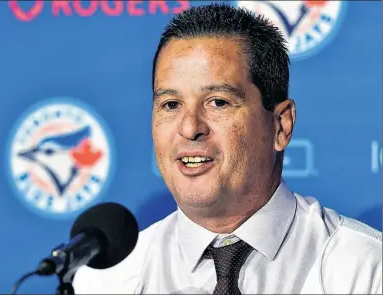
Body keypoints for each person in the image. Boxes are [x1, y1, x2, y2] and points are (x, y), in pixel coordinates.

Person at [73, 3, 382, 294]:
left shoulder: (363, 269)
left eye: (218, 102)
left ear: (281, 125)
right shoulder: (106, 280)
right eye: (171, 104)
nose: (190, 127)